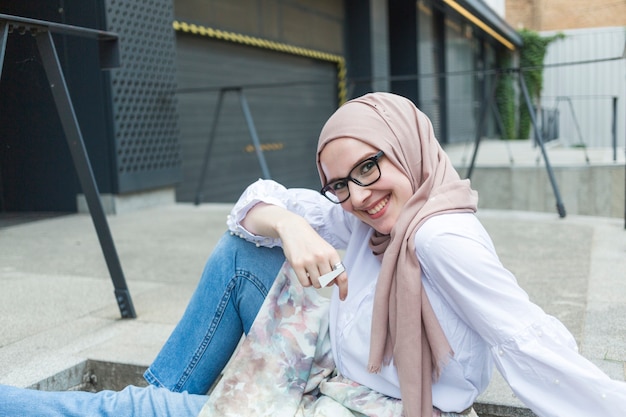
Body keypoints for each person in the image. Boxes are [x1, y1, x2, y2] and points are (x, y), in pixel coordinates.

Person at [1, 92, 625, 417]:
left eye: (370, 166)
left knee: (134, 409)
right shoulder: (369, 221)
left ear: (406, 146)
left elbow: (526, 338)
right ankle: (161, 399)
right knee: (242, 249)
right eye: (339, 183)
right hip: (336, 375)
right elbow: (253, 203)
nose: (359, 195)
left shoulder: (438, 237)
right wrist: (293, 227)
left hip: (361, 404)